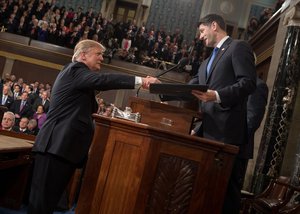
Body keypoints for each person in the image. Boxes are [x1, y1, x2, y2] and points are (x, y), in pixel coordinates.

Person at [27, 39, 160, 214]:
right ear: (83, 55)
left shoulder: (79, 77)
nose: (102, 58)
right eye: (98, 54)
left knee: (47, 203)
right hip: (55, 146)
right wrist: (141, 80)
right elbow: (103, 80)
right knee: (41, 205)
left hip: (62, 148)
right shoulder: (74, 69)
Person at [190, 14, 257, 214]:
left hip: (227, 134)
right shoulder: (205, 62)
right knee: (206, 192)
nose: (201, 37)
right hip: (207, 133)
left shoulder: (238, 47)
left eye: (202, 31)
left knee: (225, 196)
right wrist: (161, 86)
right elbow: (190, 86)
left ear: (214, 26)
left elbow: (248, 83)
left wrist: (217, 96)